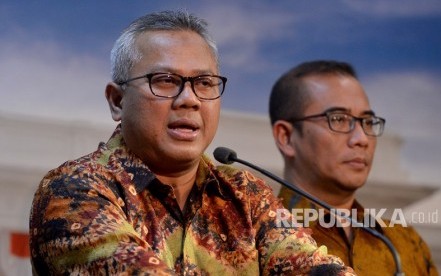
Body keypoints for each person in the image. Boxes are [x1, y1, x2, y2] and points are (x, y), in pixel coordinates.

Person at [29, 12, 356, 275]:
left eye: (204, 83)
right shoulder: (75, 191)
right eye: (166, 81)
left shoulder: (246, 196)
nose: (190, 100)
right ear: (117, 100)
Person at [269, 60, 438, 275]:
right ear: (286, 137)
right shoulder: (256, 237)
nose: (362, 139)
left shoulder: (403, 240)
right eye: (339, 119)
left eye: (367, 122)